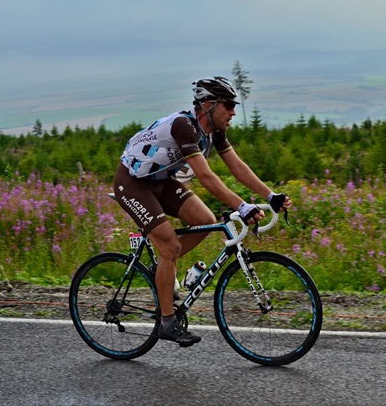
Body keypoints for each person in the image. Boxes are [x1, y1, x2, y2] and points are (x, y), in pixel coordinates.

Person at [113, 76, 291, 346]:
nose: (233, 112)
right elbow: (206, 177)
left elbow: (236, 165)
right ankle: (167, 322)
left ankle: (163, 268)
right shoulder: (183, 126)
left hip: (159, 182)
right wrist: (241, 207)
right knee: (170, 247)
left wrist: (271, 195)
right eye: (228, 105)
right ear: (208, 104)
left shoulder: (214, 132)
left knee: (205, 220)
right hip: (132, 184)